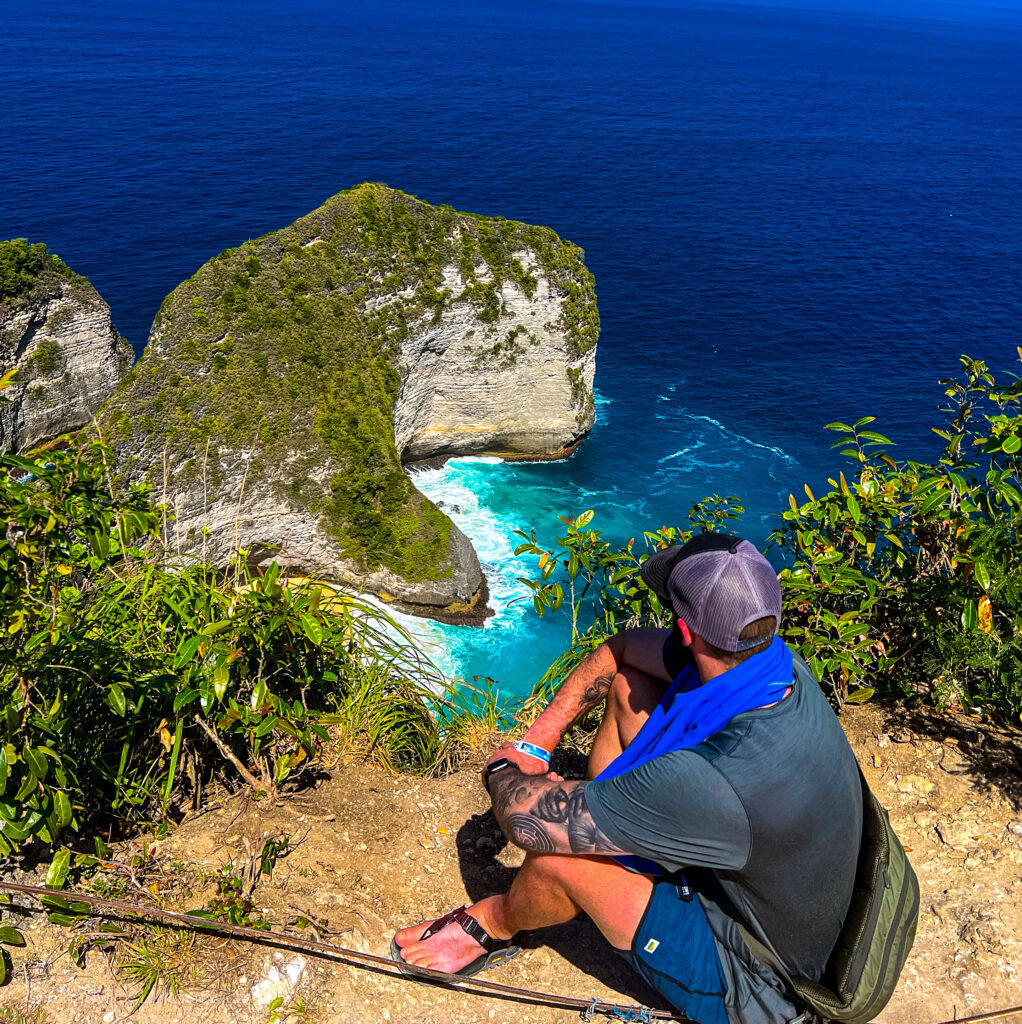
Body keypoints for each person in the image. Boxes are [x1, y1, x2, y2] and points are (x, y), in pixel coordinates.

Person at [393, 532, 864, 1024]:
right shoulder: (777, 666)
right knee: (630, 687)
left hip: (762, 980)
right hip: (786, 895)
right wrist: (539, 740)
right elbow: (622, 650)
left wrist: (504, 768)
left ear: (685, 631)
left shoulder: (712, 778)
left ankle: (494, 922)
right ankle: (615, 823)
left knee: (560, 859)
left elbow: (525, 820)